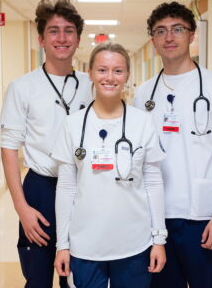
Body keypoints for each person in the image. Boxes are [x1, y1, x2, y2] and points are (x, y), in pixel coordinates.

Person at [134, 2, 212, 288]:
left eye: (177, 29)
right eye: (161, 31)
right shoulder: (144, 94)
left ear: (192, 35)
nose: (169, 37)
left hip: (203, 218)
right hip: (155, 219)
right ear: (153, 40)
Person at [51, 42, 167, 288]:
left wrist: (159, 239)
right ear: (90, 73)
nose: (110, 77)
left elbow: (154, 183)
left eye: (118, 70)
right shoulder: (72, 125)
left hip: (135, 242)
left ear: (127, 75)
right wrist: (63, 245)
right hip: (85, 245)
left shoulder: (142, 122)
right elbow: (66, 188)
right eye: (102, 70)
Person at [0, 0, 92, 288]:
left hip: (83, 188)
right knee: (37, 278)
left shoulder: (93, 85)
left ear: (78, 39)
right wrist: (21, 208)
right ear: (41, 38)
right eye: (53, 30)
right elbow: (9, 148)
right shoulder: (22, 87)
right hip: (40, 189)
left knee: (77, 278)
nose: (61, 38)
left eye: (68, 30)